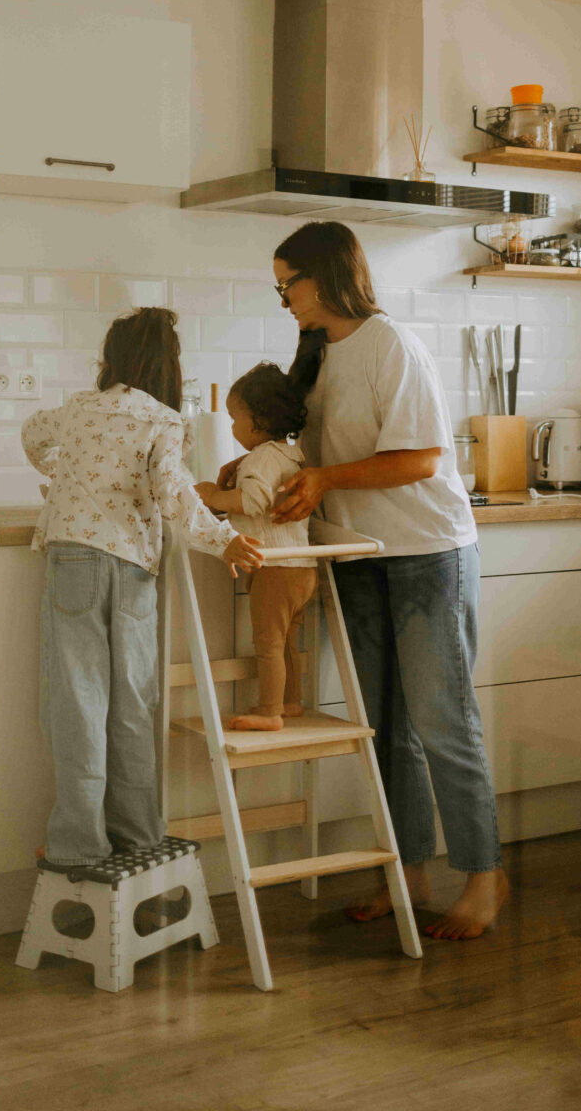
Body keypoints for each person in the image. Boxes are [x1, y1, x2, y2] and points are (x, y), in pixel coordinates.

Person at [218, 223, 509, 940]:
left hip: (426, 554)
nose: (283, 295)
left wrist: (322, 479)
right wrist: (252, 465)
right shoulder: (315, 359)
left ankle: (483, 876)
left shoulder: (391, 345)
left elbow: (420, 459)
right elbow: (299, 447)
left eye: (290, 281)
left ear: (326, 276)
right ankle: (404, 875)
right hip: (360, 555)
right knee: (385, 729)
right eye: (279, 285)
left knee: (443, 723)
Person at [22, 307, 263, 874]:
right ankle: (138, 833)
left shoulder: (82, 407)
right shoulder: (163, 419)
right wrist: (221, 539)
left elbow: (33, 433)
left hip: (75, 557)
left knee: (77, 702)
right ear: (168, 368)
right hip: (132, 566)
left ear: (111, 359)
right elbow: (174, 493)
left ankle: (79, 842)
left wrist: (63, 475)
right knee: (133, 702)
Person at [195, 363, 317, 732]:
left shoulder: (261, 457)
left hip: (276, 568)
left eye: (235, 418)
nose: (231, 427)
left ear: (258, 422)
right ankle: (290, 702)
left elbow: (253, 502)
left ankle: (269, 712)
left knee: (267, 643)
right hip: (302, 569)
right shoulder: (290, 454)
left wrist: (213, 495)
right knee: (286, 642)